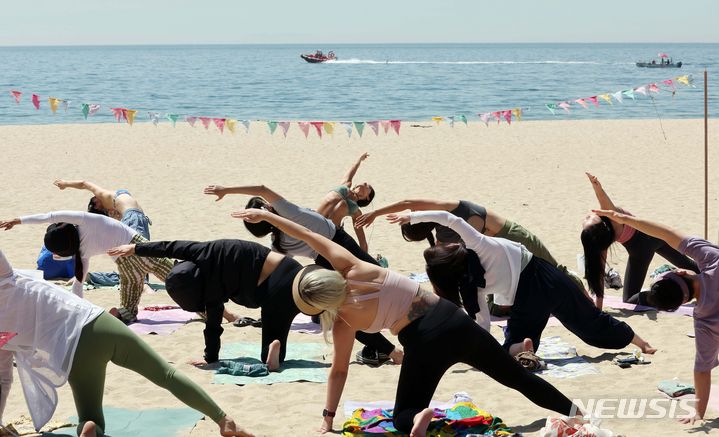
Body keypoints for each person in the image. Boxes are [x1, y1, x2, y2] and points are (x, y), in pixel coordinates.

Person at [231, 208, 581, 437]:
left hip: (423, 341)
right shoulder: (354, 267)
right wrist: (270, 217)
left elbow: (339, 372)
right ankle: (574, 411)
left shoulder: (342, 321)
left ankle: (417, 422)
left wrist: (328, 419)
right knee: (515, 376)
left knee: (403, 413)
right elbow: (310, 236)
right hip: (452, 318)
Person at [0, 249, 253, 437]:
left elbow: (3, 377)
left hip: (72, 353)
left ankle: (91, 429)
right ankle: (224, 421)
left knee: (90, 419)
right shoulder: (5, 279)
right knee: (165, 374)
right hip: (96, 324)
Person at [384, 210, 656, 359]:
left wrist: (475, 355)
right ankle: (641, 343)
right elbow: (450, 218)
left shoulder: (470, 287)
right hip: (544, 275)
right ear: (455, 252)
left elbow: (483, 325)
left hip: (525, 298)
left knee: (514, 340)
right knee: (590, 323)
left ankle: (522, 348)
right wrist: (414, 217)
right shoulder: (478, 244)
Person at [203, 183, 403, 366]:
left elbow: (277, 265)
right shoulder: (287, 211)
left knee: (344, 310)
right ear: (268, 209)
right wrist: (225, 190)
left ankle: (388, 350)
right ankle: (394, 349)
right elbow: (262, 188)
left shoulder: (277, 241)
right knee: (384, 288)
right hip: (341, 247)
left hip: (324, 261)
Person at [593, 209, 719, 425]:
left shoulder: (704, 320)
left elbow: (702, 371)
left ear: (682, 303)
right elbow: (666, 233)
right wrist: (625, 220)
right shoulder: (711, 260)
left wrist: (698, 412)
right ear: (680, 272)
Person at [355, 197, 589, 311]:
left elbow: (408, 201)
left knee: (555, 272)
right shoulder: (443, 233)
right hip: (502, 260)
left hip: (516, 240)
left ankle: (586, 299)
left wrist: (375, 212)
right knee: (500, 302)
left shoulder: (447, 209)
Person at [108, 238, 302, 370]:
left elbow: (213, 327)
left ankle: (275, 349)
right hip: (289, 267)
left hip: (276, 290)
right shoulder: (202, 252)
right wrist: (135, 248)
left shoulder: (211, 293)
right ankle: (275, 345)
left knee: (272, 337)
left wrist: (210, 358)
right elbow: (170, 246)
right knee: (277, 320)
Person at [0, 211, 172, 324]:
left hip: (125, 264)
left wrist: (78, 313)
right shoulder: (83, 222)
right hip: (136, 249)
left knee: (128, 309)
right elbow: (50, 216)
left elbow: (78, 284)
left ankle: (118, 315)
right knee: (178, 281)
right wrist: (17, 220)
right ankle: (199, 306)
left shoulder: (81, 253)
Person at [581, 173, 698, 307]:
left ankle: (659, 293)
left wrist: (597, 187)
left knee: (630, 298)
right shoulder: (610, 220)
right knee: (691, 267)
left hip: (645, 244)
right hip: (655, 236)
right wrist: (598, 307)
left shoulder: (607, 224)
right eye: (588, 220)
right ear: (600, 227)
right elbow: (599, 272)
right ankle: (666, 289)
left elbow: (600, 273)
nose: (588, 215)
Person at [315, 152, 375, 252]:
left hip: (329, 233)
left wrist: (365, 256)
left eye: (368, 187)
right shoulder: (346, 184)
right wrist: (359, 159)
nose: (365, 183)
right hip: (315, 220)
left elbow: (362, 241)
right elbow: (351, 171)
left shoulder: (356, 212)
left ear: (367, 198)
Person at [53, 179, 152, 240]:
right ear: (96, 205)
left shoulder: (110, 204)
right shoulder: (102, 196)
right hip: (136, 218)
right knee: (141, 255)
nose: (95, 196)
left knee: (142, 255)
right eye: (93, 198)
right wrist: (65, 184)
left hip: (138, 218)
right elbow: (84, 184)